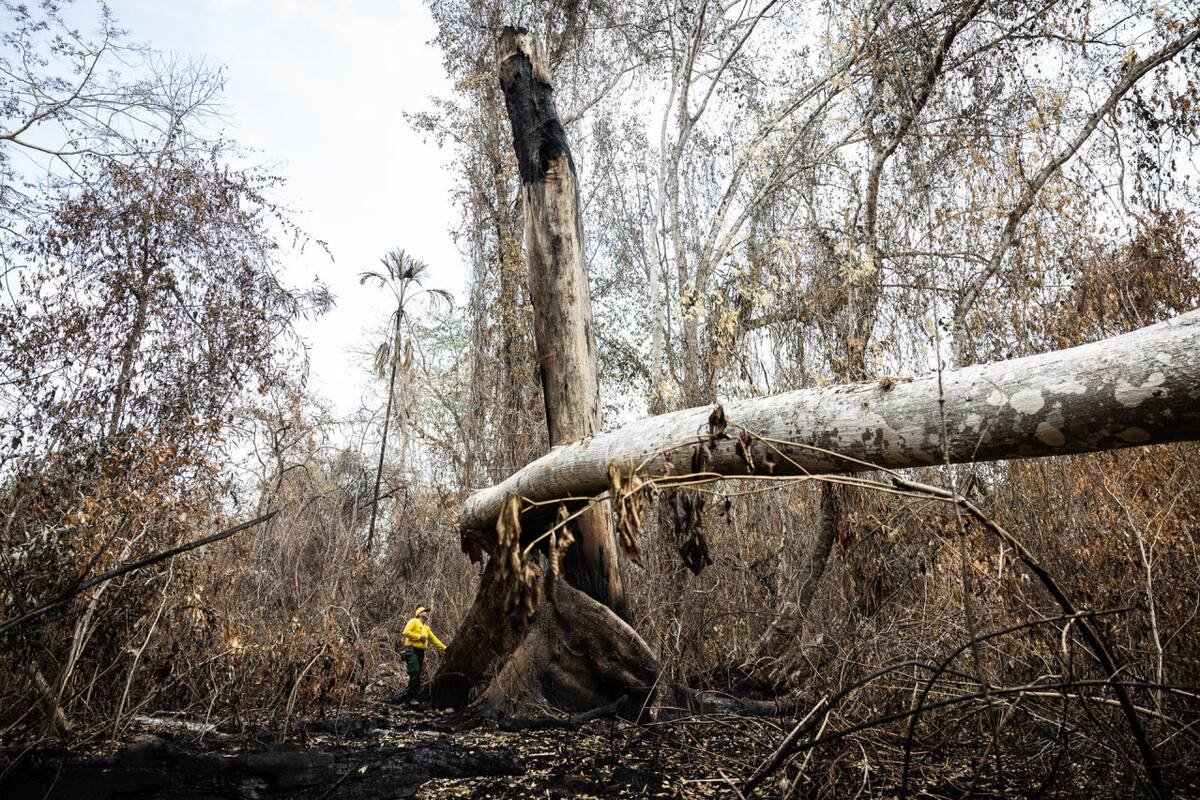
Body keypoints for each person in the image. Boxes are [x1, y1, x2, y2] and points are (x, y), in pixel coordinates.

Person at [400, 605, 446, 705]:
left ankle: (415, 697)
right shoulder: (414, 621)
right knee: (415, 671)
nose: (427, 613)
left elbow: (434, 639)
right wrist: (419, 637)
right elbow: (406, 632)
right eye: (425, 611)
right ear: (419, 613)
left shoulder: (426, 628)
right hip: (410, 649)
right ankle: (410, 698)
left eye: (428, 611)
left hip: (420, 651)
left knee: (418, 673)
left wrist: (445, 648)